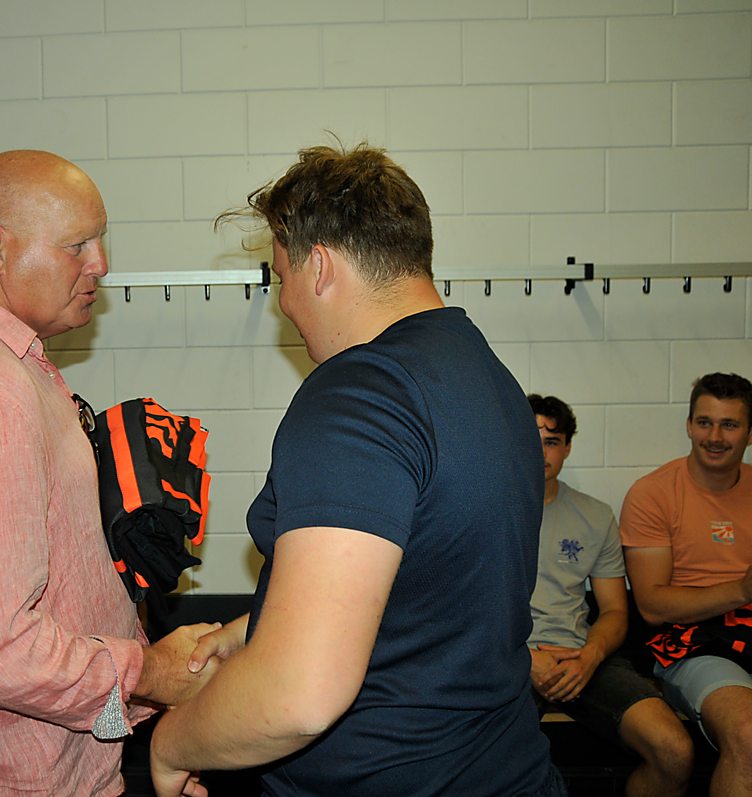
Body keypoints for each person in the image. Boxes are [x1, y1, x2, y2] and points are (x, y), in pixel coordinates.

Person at [148, 143, 564, 797]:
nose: (284, 302)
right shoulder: (488, 377)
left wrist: (174, 741)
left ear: (319, 266)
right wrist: (259, 629)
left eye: (280, 275)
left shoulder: (359, 393)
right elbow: (434, 588)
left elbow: (299, 694)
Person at [0, 149, 218, 796]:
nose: (100, 264)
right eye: (76, 245)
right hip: (15, 777)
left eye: (100, 240)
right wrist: (150, 673)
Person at [527, 394, 693, 796]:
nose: (541, 451)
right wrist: (524, 658)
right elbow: (466, 610)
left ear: (567, 447)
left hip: (583, 656)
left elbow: (616, 611)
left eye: (552, 441)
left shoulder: (595, 515)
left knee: (674, 751)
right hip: (510, 658)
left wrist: (590, 657)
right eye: (531, 440)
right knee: (497, 765)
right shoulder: (482, 510)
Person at [621, 372, 752, 797]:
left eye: (729, 425)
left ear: (750, 433)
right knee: (748, 733)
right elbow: (652, 606)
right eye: (704, 422)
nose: (714, 437)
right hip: (692, 644)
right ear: (689, 425)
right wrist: (743, 590)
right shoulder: (654, 493)